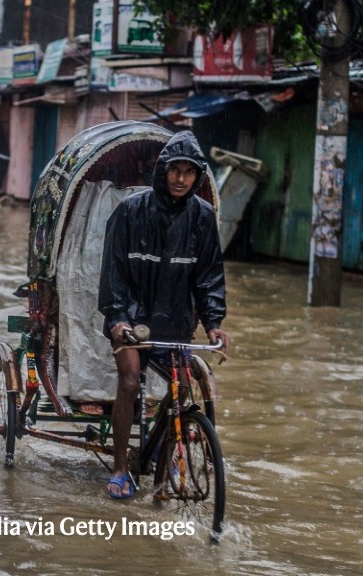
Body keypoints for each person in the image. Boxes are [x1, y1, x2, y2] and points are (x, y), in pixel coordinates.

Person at [98, 130, 231, 499]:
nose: (181, 179)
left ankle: (169, 454)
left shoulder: (202, 217)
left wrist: (214, 325)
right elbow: (114, 272)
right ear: (163, 170)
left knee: (182, 390)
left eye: (190, 172)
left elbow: (208, 278)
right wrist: (119, 318)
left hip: (174, 322)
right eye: (175, 170)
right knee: (129, 382)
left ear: (197, 176)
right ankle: (122, 468)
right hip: (131, 321)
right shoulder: (131, 211)